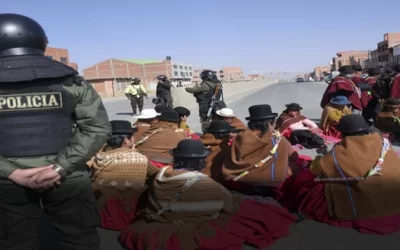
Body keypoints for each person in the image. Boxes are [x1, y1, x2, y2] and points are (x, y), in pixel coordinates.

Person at [0, 14, 111, 250]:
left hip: (6, 182)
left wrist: (11, 172)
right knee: (78, 239)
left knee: (16, 241)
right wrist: (60, 167)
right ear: (40, 40)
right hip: (67, 177)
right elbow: (96, 127)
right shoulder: (69, 79)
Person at [119, 139, 296, 250]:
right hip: (194, 227)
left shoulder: (160, 175)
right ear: (200, 161)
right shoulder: (209, 185)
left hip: (158, 222)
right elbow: (228, 207)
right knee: (250, 209)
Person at [282, 114, 400, 235]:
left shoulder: (340, 151)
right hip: (393, 191)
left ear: (342, 133)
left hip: (364, 193)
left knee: (309, 181)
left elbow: (315, 169)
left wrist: (321, 156)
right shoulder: (383, 143)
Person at [90, 120, 159, 231]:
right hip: (130, 212)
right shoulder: (139, 158)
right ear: (126, 141)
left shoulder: (98, 158)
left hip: (102, 210)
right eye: (132, 137)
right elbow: (157, 175)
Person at [222, 105, 298, 197]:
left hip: (242, 181)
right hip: (272, 182)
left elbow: (232, 158)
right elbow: (294, 157)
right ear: (269, 124)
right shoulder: (279, 140)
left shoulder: (240, 138)